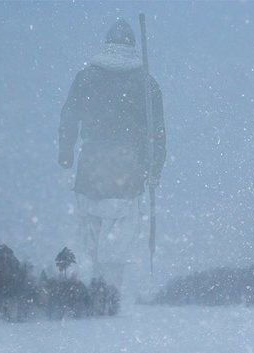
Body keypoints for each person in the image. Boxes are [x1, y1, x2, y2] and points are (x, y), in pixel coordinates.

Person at [58, 18, 166, 290]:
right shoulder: (145, 83)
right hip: (129, 169)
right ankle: (110, 291)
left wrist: (66, 151)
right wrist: (155, 168)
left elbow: (69, 116)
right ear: (132, 46)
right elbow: (157, 132)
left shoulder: (86, 77)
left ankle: (90, 285)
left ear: (107, 43)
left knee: (90, 228)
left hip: (91, 164)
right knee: (121, 232)